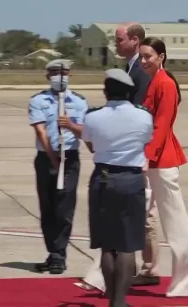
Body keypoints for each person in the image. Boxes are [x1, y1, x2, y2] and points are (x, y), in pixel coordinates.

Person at [77, 22, 151, 293]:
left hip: (103, 178)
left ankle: (110, 296)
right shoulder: (143, 116)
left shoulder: (93, 116)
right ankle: (120, 299)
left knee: (107, 245)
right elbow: (146, 139)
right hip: (131, 180)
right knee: (129, 244)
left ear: (107, 91)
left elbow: (90, 143)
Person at [135, 36, 188, 297]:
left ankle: (187, 281)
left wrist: (148, 157)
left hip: (161, 162)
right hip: (153, 159)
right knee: (141, 215)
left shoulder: (166, 84)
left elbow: (162, 125)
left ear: (161, 56)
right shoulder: (156, 82)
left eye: (148, 56)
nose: (143, 61)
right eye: (141, 56)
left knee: (176, 225)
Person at [28, 58, 88, 274]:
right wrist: (53, 157)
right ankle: (53, 252)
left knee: (64, 208)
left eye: (63, 72)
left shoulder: (79, 102)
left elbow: (85, 132)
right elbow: (40, 130)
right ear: (47, 75)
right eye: (54, 72)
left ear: (70, 75)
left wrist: (70, 126)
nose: (59, 76)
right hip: (46, 158)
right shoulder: (38, 100)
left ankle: (58, 254)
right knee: (48, 208)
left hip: (70, 157)